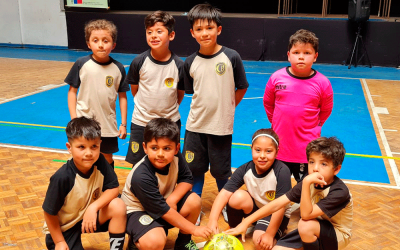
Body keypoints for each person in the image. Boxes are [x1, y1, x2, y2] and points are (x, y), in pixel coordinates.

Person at [183, 3, 249, 224]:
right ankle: (195, 208)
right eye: (199, 29)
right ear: (192, 33)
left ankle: (227, 206)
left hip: (220, 126)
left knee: (221, 172)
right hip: (195, 127)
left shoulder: (231, 57)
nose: (205, 33)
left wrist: (229, 108)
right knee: (194, 170)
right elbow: (192, 92)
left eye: (209, 28)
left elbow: (241, 87)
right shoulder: (190, 62)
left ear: (218, 29)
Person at [225, 137, 353, 250]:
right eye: (312, 162)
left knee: (304, 224)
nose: (315, 168)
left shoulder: (339, 192)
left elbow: (306, 215)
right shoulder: (307, 182)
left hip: (336, 235)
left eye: (323, 164)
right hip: (313, 228)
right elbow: (276, 204)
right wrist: (245, 222)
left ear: (336, 169)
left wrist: (307, 181)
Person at [121, 118, 213, 250]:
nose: (160, 154)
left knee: (194, 200)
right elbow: (164, 211)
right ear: (145, 148)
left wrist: (172, 199)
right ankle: (137, 239)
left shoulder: (176, 157)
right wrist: (194, 229)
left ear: (176, 149)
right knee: (155, 241)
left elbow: (187, 179)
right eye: (154, 148)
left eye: (166, 148)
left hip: (162, 205)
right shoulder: (141, 176)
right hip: (137, 212)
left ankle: (183, 243)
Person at [42, 117, 126, 250]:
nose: (89, 153)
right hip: (64, 228)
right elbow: (49, 213)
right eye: (81, 147)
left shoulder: (100, 162)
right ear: (69, 147)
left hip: (87, 217)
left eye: (94, 146)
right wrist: (58, 242)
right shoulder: (62, 177)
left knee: (118, 205)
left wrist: (93, 208)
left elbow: (114, 188)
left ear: (100, 145)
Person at [263, 29, 333, 183]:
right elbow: (268, 103)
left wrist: (316, 126)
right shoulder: (276, 78)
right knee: (278, 187)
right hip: (281, 146)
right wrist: (275, 122)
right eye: (296, 52)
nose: (301, 57)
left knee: (306, 187)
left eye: (307, 53)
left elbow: (326, 109)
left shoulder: (323, 83)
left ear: (315, 56)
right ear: (288, 55)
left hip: (306, 149)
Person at [207, 129, 292, 250]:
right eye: (258, 150)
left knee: (259, 243)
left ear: (276, 152)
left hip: (276, 214)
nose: (262, 155)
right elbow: (224, 194)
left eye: (268, 151)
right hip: (256, 210)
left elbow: (280, 207)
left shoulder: (282, 171)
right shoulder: (244, 169)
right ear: (251, 149)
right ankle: (234, 228)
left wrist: (269, 235)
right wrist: (212, 219)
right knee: (237, 196)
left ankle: (276, 233)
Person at [125, 10, 185, 167]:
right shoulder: (139, 62)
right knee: (138, 164)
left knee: (169, 161)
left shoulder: (179, 65)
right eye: (149, 32)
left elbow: (180, 94)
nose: (153, 35)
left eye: (159, 31)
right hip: (141, 121)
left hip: (170, 122)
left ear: (171, 35)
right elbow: (134, 90)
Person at [66, 19, 129, 168]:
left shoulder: (118, 68)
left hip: (107, 124)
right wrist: (74, 119)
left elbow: (122, 97)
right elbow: (72, 92)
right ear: (89, 44)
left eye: (105, 41)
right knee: (84, 155)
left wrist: (123, 124)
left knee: (107, 157)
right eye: (95, 40)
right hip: (84, 122)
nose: (100, 44)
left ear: (113, 45)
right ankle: (86, 187)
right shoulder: (81, 64)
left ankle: (109, 186)